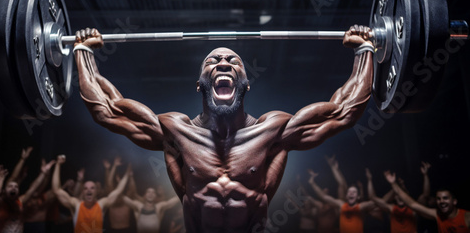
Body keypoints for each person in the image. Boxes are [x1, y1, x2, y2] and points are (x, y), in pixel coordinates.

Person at [72, 24, 374, 232]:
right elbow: (108, 110)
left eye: (233, 60)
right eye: (212, 60)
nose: (223, 63)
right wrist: (83, 51)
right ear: (200, 83)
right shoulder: (176, 132)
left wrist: (365, 49)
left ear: (245, 82)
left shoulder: (273, 132)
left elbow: (343, 113)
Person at [51, 155, 130, 233]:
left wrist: (127, 174)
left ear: (96, 192)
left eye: (92, 188)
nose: (89, 190)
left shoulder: (101, 205)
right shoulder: (76, 205)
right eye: (86, 188)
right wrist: (58, 164)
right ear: (83, 192)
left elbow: (118, 191)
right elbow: (57, 190)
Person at [384, 171, 470, 233]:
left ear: (454, 202)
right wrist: (393, 184)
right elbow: (412, 204)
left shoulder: (466, 216)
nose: (442, 201)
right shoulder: (437, 215)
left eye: (445, 198)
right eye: (438, 199)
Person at [0, 158, 55, 233]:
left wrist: (43, 173)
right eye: (10, 186)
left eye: (16, 187)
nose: (13, 188)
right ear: (4, 191)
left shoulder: (20, 202)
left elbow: (32, 189)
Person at [308, 169, 376, 233]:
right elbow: (323, 196)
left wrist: (370, 180)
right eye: (349, 192)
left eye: (354, 192)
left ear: (358, 197)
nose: (351, 193)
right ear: (346, 196)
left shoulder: (361, 207)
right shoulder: (342, 205)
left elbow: (373, 199)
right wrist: (312, 183)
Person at [366, 168, 416, 233]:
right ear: (394, 197)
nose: (400, 197)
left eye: (402, 196)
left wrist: (400, 186)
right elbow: (372, 197)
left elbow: (424, 195)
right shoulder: (392, 208)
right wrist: (369, 179)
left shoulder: (413, 211)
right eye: (398, 196)